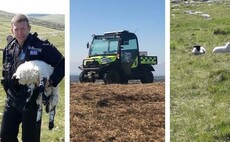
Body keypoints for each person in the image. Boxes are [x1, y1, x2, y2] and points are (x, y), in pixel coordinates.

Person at [0, 14, 65, 142]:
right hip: (12, 100)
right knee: (5, 136)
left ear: (29, 28)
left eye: (23, 29)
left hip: (32, 101)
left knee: (30, 139)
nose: (20, 33)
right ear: (11, 30)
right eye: (16, 29)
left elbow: (61, 63)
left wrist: (51, 81)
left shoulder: (41, 46)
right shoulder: (9, 48)